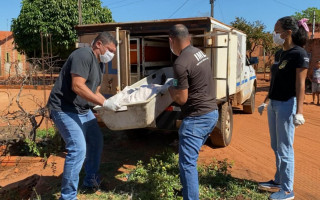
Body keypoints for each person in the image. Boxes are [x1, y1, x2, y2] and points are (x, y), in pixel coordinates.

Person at [47, 32, 118, 200]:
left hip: (83, 109)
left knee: (96, 140)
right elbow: (77, 86)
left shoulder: (100, 64)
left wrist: (106, 104)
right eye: (110, 50)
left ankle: (90, 179)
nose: (112, 55)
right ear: (99, 44)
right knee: (78, 149)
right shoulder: (82, 55)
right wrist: (104, 103)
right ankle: (68, 196)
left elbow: (95, 92)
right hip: (64, 108)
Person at [257, 17, 309, 200]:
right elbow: (274, 82)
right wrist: (265, 100)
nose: (274, 34)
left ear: (288, 32)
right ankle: (278, 180)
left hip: (288, 103)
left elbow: (300, 84)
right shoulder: (280, 54)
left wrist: (299, 112)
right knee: (275, 145)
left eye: (276, 30)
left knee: (285, 147)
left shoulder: (299, 53)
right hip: (274, 104)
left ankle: (287, 190)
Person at [166, 24, 219, 200]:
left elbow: (181, 98)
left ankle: (191, 196)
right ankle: (189, 191)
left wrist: (169, 87)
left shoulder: (180, 62)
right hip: (212, 112)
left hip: (197, 118)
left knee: (187, 164)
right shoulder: (199, 53)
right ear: (188, 37)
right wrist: (176, 83)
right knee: (188, 161)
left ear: (171, 40)